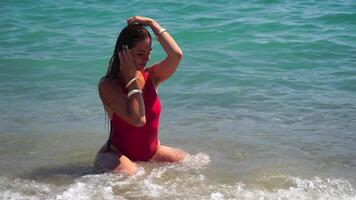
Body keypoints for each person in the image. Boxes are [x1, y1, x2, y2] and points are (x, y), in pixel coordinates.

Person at [94, 16, 188, 175]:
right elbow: (138, 119)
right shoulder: (109, 85)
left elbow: (176, 55)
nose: (147, 58)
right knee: (136, 178)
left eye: (149, 53)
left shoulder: (152, 77)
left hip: (152, 151)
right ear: (123, 53)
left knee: (195, 163)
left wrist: (152, 24)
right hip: (117, 156)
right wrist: (131, 78)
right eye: (140, 53)